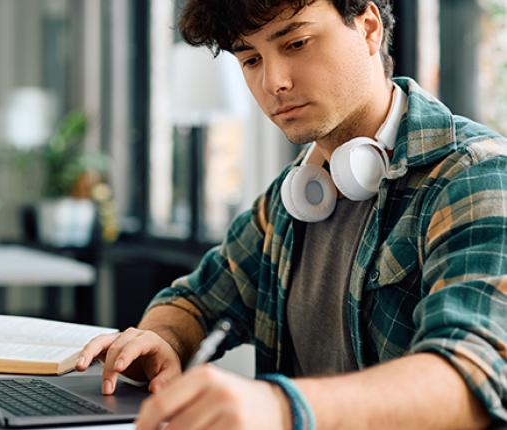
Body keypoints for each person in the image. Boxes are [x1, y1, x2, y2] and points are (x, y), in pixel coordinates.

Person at [75, 1, 506, 429]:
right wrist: (162, 339)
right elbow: (195, 300)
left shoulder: (477, 177)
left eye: (297, 43)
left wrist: (281, 408)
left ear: (369, 28)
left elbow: (474, 379)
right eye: (251, 59)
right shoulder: (294, 196)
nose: (273, 81)